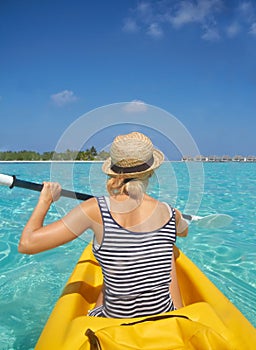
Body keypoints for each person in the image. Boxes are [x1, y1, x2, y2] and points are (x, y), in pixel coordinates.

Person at [18, 132, 188, 318]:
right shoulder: (170, 212)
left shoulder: (95, 209)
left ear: (113, 172)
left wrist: (45, 200)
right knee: (169, 249)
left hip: (114, 321)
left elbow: (27, 244)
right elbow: (183, 231)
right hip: (165, 316)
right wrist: (176, 220)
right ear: (151, 171)